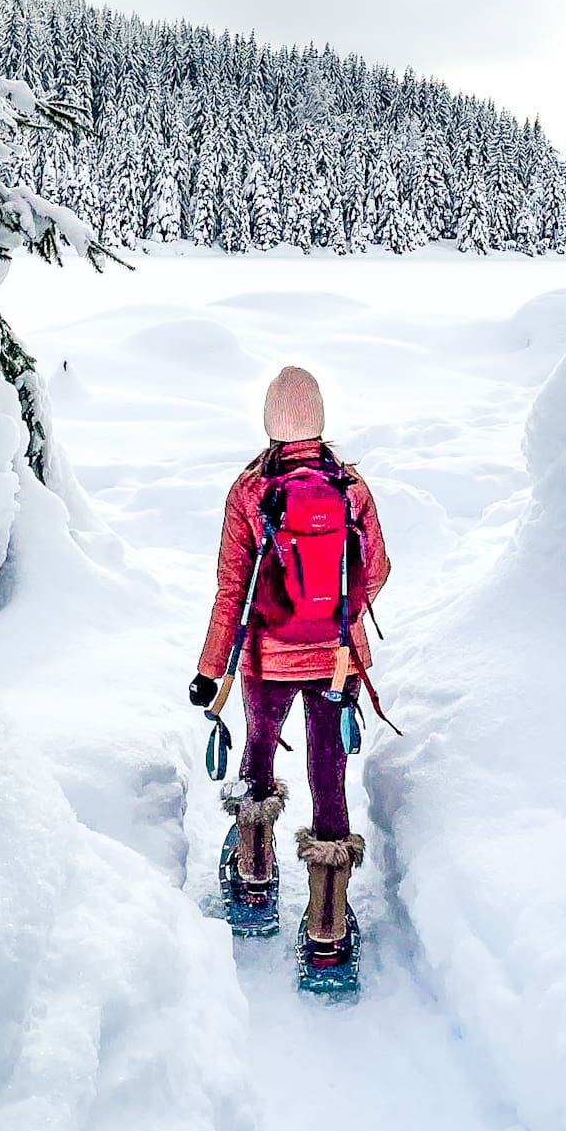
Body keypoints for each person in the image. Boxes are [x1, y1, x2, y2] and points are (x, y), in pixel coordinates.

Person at [189, 365, 390, 973]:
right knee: (327, 769)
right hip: (334, 661)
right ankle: (327, 928)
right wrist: (339, 619)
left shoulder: (250, 491)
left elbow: (232, 589)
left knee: (258, 749)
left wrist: (209, 668)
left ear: (270, 420)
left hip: (264, 657)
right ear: (321, 417)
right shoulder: (350, 489)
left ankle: (253, 879)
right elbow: (375, 569)